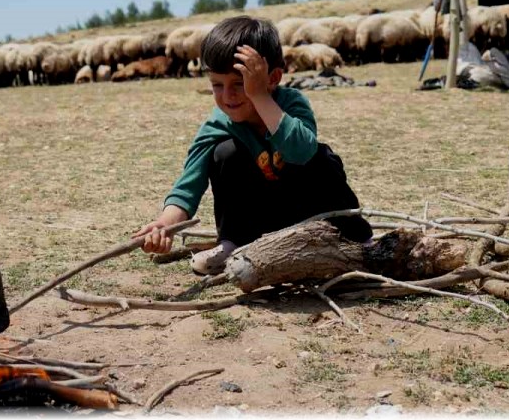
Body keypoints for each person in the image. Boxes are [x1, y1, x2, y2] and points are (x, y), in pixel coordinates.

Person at [133, 15, 372, 275]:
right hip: (259, 221)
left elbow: (300, 151)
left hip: (309, 216)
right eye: (217, 85)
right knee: (225, 153)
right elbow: (189, 184)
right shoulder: (218, 123)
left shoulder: (292, 103)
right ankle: (234, 243)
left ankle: (355, 238)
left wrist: (259, 96)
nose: (227, 96)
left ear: (273, 77)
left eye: (240, 83)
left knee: (321, 156)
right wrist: (165, 224)